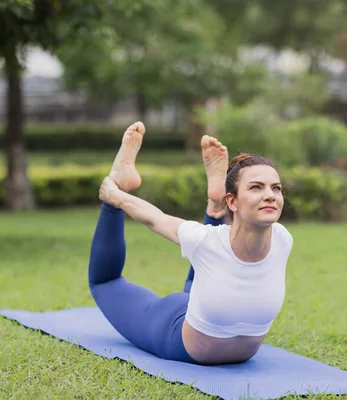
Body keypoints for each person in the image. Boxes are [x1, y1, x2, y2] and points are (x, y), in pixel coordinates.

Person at [89, 121, 293, 365]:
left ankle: (215, 205)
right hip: (174, 332)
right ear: (234, 202)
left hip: (200, 300)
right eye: (256, 187)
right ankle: (119, 178)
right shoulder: (206, 241)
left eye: (276, 188)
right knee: (105, 283)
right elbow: (156, 219)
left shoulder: (283, 240)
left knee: (203, 272)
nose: (270, 194)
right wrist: (116, 197)